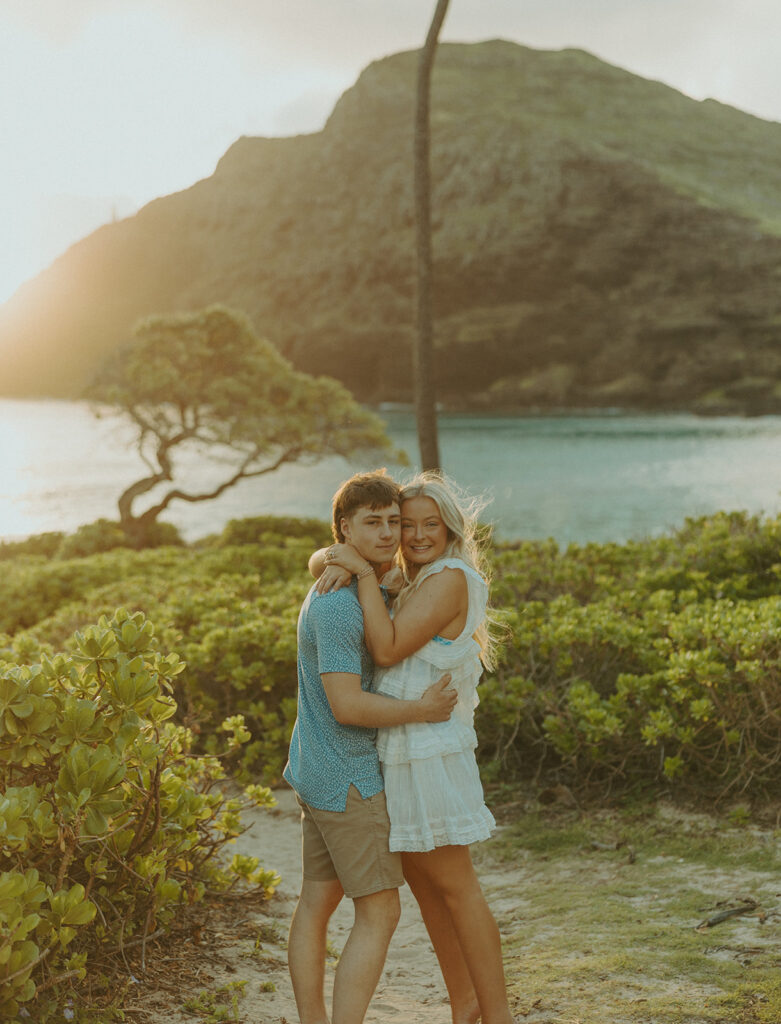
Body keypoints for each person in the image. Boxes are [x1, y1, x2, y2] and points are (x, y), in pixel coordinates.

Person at [313, 471, 514, 1024]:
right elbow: (328, 556)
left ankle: (497, 1016)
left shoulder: (448, 577)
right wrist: (342, 562)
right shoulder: (415, 578)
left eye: (431, 524)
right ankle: (465, 1006)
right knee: (429, 889)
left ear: (451, 528)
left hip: (429, 750)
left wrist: (355, 574)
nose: (418, 534)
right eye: (407, 524)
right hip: (403, 748)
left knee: (457, 887)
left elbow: (386, 647)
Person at [283, 469, 458, 1024]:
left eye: (393, 523)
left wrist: (356, 566)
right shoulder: (338, 605)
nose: (389, 535)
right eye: (373, 524)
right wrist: (422, 710)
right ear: (344, 529)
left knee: (316, 904)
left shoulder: (357, 580)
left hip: (316, 767)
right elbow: (348, 705)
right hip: (348, 775)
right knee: (380, 911)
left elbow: (329, 561)